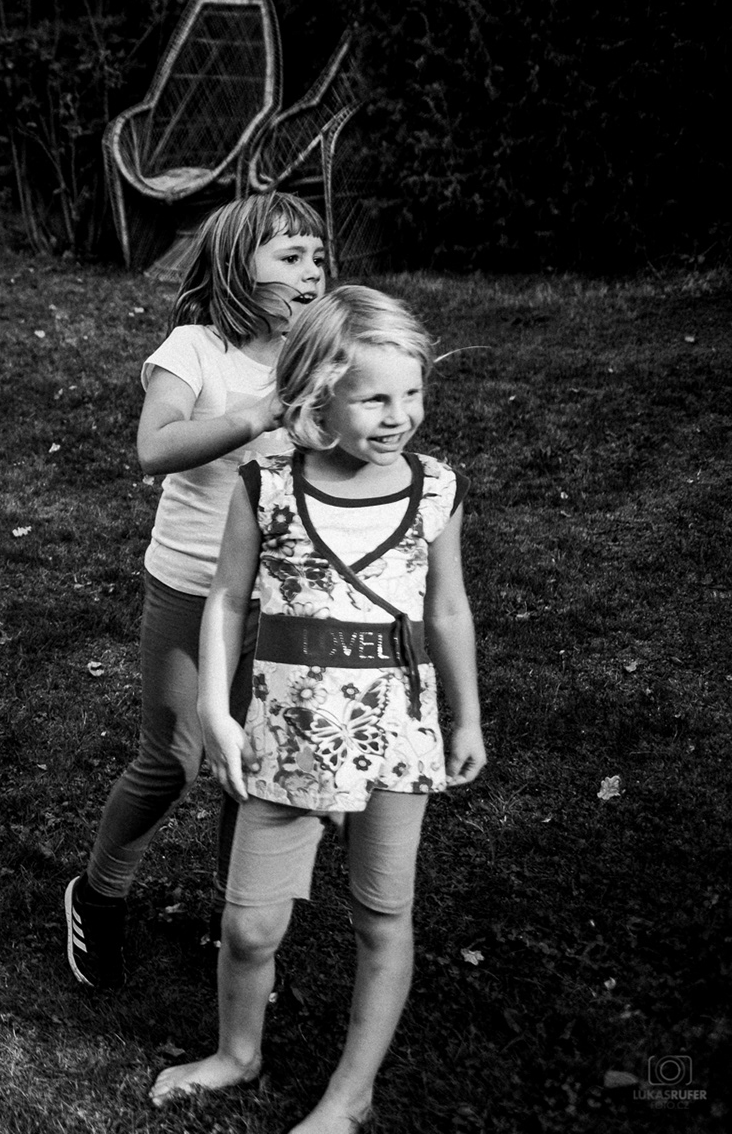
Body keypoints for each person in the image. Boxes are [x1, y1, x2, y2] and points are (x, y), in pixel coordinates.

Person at [151, 286, 487, 1132]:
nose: (399, 416)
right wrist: (217, 711)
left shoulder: (435, 490)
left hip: (396, 732)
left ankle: (350, 1093)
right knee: (249, 927)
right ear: (317, 398)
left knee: (383, 914)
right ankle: (237, 1053)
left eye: (412, 394)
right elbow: (226, 599)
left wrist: (467, 717)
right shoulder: (266, 485)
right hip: (284, 733)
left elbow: (448, 609)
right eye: (375, 398)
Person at [65, 193, 327, 987]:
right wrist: (262, 412)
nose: (311, 273)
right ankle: (98, 894)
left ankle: (239, 919)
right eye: (290, 258)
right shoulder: (196, 350)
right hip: (191, 586)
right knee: (173, 758)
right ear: (238, 269)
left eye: (317, 258)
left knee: (256, 762)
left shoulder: (321, 356)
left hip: (284, 596)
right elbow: (155, 446)